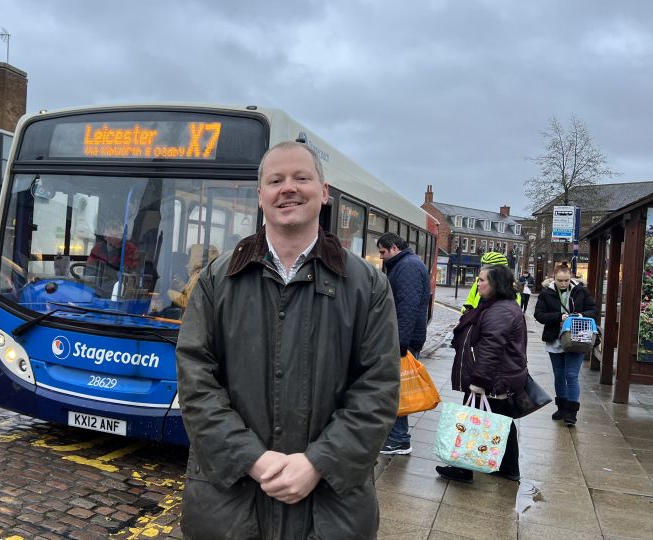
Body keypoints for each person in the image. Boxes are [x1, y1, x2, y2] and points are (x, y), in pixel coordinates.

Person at [176, 141, 400, 539]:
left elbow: (378, 388)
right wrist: (252, 459)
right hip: (228, 508)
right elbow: (196, 380)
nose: (288, 188)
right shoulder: (215, 279)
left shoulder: (369, 285)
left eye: (301, 177)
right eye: (275, 180)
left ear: (324, 192)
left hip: (331, 510)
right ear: (260, 195)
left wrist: (319, 463)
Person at [437, 264, 528, 484]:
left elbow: (491, 348)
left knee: (473, 419)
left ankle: (462, 469)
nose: (477, 284)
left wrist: (478, 382)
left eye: (482, 280)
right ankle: (508, 468)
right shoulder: (501, 306)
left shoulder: (500, 311)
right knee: (502, 421)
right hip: (501, 377)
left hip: (492, 379)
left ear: (495, 284)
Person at [376, 232, 431, 456]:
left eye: (382, 252)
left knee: (399, 389)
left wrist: (399, 345)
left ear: (394, 249)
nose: (380, 257)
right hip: (403, 339)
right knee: (397, 388)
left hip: (402, 341)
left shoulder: (407, 267)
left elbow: (406, 309)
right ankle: (395, 436)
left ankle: (400, 439)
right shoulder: (406, 264)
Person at [533, 262, 599, 425]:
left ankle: (572, 412)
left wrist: (579, 315)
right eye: (560, 280)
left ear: (571, 278)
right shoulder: (546, 293)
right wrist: (558, 317)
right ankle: (561, 407)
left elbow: (594, 312)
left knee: (571, 375)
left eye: (566, 280)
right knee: (559, 375)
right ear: (553, 278)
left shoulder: (581, 291)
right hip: (555, 338)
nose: (563, 284)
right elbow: (539, 315)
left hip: (577, 338)